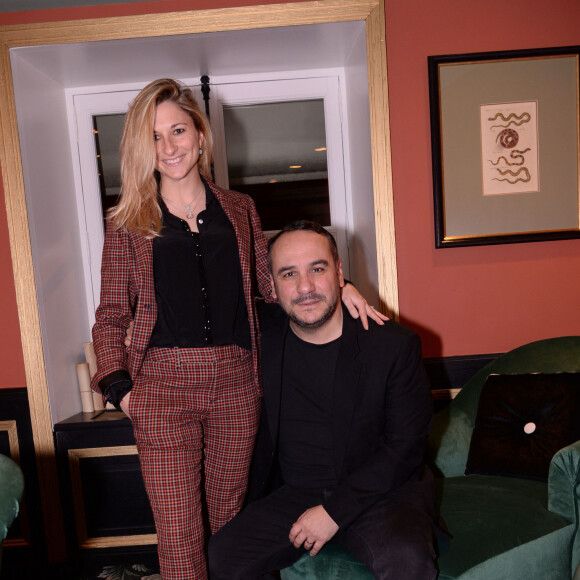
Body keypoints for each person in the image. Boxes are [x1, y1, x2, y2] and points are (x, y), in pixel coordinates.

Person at [91, 79, 384, 580]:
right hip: (161, 387)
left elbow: (274, 288)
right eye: (155, 137)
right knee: (179, 529)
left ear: (200, 134)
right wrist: (123, 392)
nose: (169, 147)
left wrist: (343, 284)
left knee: (229, 528)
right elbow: (112, 315)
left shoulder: (240, 209)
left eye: (178, 130)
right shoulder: (126, 223)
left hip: (236, 384)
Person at [209, 221, 448, 580]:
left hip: (381, 495)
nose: (305, 288)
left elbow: (404, 449)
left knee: (407, 562)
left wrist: (334, 512)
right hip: (294, 493)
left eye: (317, 269)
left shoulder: (392, 346)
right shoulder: (263, 335)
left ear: (339, 273)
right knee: (221, 556)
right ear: (272, 287)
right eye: (289, 274)